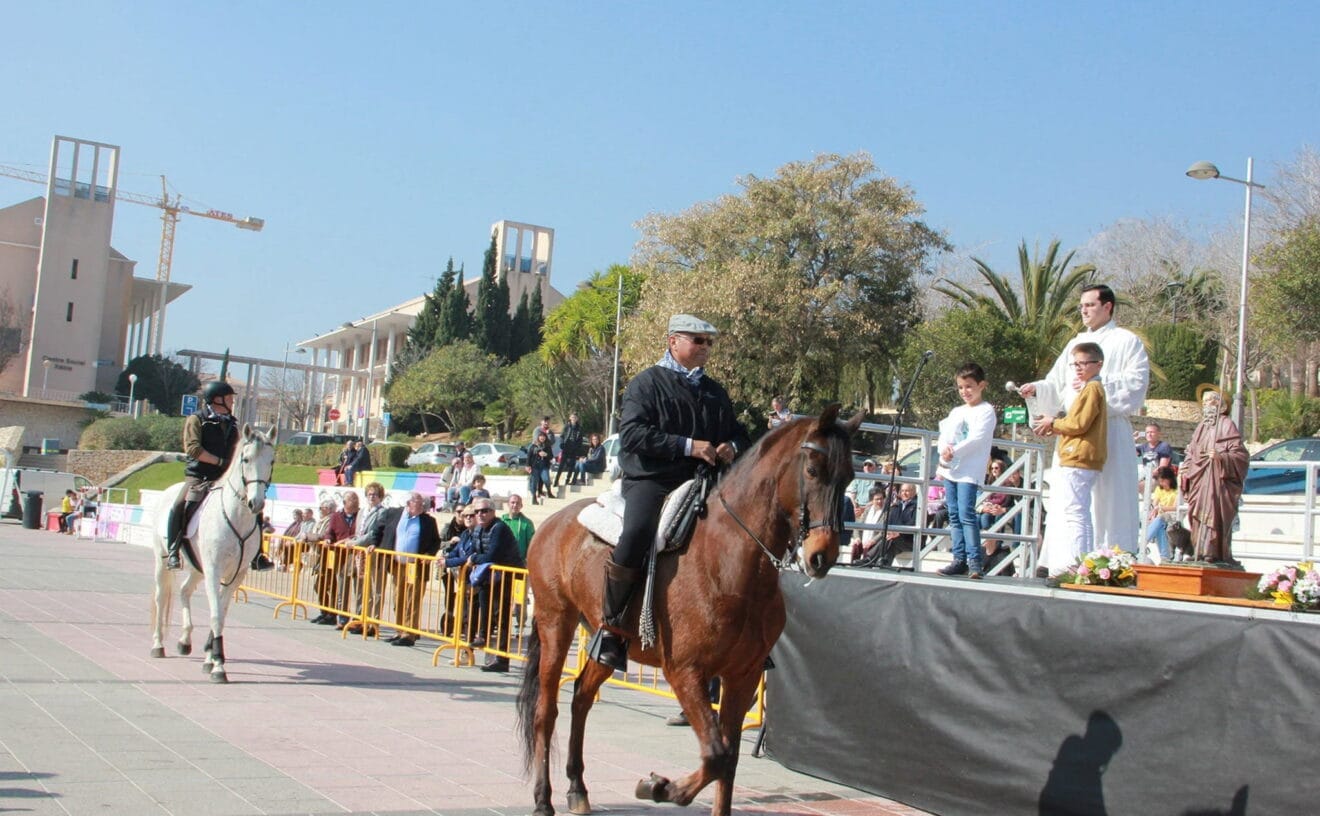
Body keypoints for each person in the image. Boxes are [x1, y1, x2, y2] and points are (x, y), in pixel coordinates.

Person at [588, 314, 750, 672]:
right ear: (673, 341)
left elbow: (740, 432)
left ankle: (746, 630)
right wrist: (689, 446)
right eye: (698, 340)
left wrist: (731, 446)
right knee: (636, 533)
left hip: (705, 481)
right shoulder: (646, 384)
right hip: (653, 480)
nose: (705, 348)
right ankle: (612, 629)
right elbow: (632, 435)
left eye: (709, 342)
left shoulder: (715, 391)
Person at [1019, 284, 1149, 558]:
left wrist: (1095, 383)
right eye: (1081, 306)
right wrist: (1037, 389)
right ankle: (1064, 560)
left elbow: (1136, 385)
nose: (1083, 311)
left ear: (1107, 306)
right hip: (1073, 434)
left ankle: (1111, 561)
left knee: (1109, 499)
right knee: (1071, 501)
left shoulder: (1127, 341)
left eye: (1089, 305)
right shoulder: (1074, 344)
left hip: (1108, 430)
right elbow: (1056, 383)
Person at [165, 381, 274, 572]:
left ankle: (258, 555)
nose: (232, 402)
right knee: (180, 505)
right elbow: (193, 449)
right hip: (199, 475)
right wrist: (219, 462)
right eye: (230, 398)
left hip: (224, 477)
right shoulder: (196, 419)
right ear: (217, 399)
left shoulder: (232, 424)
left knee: (254, 508)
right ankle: (173, 549)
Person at [1032, 343, 1108, 575]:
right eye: (1075, 364)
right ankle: (1082, 562)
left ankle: (1076, 565)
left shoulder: (1092, 389)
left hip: (1078, 456)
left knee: (1075, 512)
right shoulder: (1090, 388)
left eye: (1084, 363)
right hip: (1082, 456)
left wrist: (1052, 423)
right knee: (1079, 512)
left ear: (1098, 364)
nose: (1078, 368)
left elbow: (1078, 424)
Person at [935, 363, 997, 579]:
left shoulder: (986, 411)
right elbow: (944, 434)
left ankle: (974, 561)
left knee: (966, 514)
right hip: (951, 469)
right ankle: (958, 558)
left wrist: (955, 451)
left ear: (982, 385)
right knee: (953, 514)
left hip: (969, 470)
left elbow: (977, 438)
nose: (965, 392)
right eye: (961, 387)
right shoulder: (957, 411)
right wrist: (944, 450)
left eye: (969, 387)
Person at [1179, 390, 1249, 565]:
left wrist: (1221, 457)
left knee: (1212, 514)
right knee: (1197, 514)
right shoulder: (1201, 427)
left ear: (1219, 405)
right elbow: (1191, 451)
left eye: (1210, 401)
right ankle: (1198, 550)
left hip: (1217, 480)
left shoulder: (1227, 425)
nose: (1206, 405)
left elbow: (1240, 455)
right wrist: (1185, 469)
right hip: (1199, 478)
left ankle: (1212, 551)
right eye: (1204, 402)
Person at [463, 497, 525, 672]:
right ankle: (483, 637)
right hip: (488, 576)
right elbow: (477, 552)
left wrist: (474, 559)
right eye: (477, 512)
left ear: (493, 512)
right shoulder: (478, 530)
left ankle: (502, 658)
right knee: (485, 609)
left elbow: (492, 555)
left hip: (505, 576)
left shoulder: (499, 528)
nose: (480, 515)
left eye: (484, 511)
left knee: (501, 615)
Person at [379, 491, 442, 646]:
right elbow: (383, 532)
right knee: (398, 598)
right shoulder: (394, 514)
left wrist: (429, 554)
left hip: (416, 566)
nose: (422, 506)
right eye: (418, 503)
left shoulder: (428, 521)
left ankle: (409, 633)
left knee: (412, 599)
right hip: (397, 564)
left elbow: (436, 541)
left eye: (422, 503)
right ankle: (399, 629)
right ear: (408, 503)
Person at [340, 482, 389, 635]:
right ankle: (362, 618)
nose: (372, 497)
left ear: (380, 496)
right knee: (362, 587)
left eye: (374, 494)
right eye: (369, 494)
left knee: (376, 589)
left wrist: (354, 543)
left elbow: (373, 533)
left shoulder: (382, 512)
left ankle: (373, 622)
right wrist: (351, 540)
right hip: (360, 553)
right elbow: (359, 531)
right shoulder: (362, 512)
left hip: (373, 553)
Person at [1144, 466, 1179, 563]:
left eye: (1163, 480)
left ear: (1169, 479)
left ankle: (1143, 542)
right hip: (1161, 517)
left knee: (1160, 520)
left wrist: (1161, 508)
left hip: (1172, 516)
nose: (1161, 483)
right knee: (1160, 525)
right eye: (1160, 481)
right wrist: (1153, 514)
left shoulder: (1177, 491)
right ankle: (1165, 557)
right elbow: (1154, 505)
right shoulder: (1159, 490)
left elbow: (1176, 507)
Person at [500, 493, 535, 561]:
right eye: (512, 502)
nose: (515, 505)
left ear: (521, 506)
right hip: (501, 562)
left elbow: (531, 544)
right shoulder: (501, 521)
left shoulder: (527, 523)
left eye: (518, 503)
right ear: (508, 504)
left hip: (518, 563)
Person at [554, 412, 584, 488]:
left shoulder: (579, 428)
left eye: (575, 417)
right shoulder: (567, 427)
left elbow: (580, 440)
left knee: (571, 466)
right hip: (566, 448)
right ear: (570, 418)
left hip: (573, 449)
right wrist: (561, 444)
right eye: (572, 417)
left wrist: (578, 448)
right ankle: (556, 480)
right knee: (561, 466)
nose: (574, 419)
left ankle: (567, 480)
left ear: (577, 419)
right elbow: (562, 436)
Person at [526, 431, 554, 504]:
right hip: (535, 466)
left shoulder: (547, 446)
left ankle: (549, 491)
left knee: (546, 479)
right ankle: (534, 498)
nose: (542, 438)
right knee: (534, 482)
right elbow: (529, 456)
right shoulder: (533, 446)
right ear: (538, 437)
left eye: (544, 436)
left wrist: (546, 454)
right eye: (540, 436)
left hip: (544, 466)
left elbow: (551, 456)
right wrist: (528, 465)